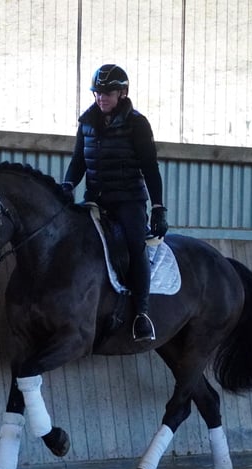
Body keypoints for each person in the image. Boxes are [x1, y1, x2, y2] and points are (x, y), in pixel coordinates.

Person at [61, 64, 168, 342]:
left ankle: (142, 313)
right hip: (95, 200)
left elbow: (149, 167)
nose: (101, 98)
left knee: (135, 245)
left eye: (107, 93)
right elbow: (78, 161)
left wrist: (158, 208)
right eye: (97, 93)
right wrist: (68, 184)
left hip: (129, 200)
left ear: (122, 93)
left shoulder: (137, 124)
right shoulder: (86, 123)